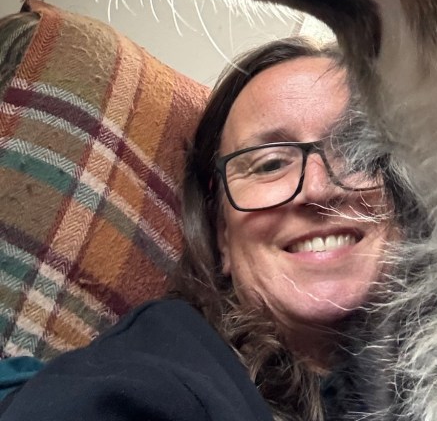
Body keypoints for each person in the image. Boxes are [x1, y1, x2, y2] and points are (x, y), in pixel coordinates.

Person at [0, 37, 396, 421]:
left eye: (358, 153)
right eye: (270, 164)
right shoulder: (166, 356)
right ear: (222, 233)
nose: (318, 188)